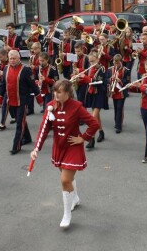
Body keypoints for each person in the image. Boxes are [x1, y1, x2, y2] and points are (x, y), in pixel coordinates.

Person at [31, 80, 99, 228]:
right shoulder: (51, 106)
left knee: (64, 180)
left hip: (72, 147)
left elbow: (94, 124)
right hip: (59, 147)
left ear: (68, 93)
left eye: (59, 91)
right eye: (55, 91)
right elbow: (43, 129)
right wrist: (36, 148)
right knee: (68, 179)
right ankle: (74, 198)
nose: (56, 94)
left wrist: (83, 138)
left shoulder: (76, 107)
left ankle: (67, 214)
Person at [0, 50, 43, 155]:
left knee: (19, 124)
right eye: (10, 58)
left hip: (22, 101)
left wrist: (39, 99)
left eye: (14, 58)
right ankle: (27, 138)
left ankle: (16, 146)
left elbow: (33, 85)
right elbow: (3, 85)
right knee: (20, 120)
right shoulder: (5, 68)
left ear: (19, 58)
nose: (12, 61)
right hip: (10, 100)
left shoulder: (26, 70)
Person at [79, 51, 108, 149]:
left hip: (100, 93)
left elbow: (97, 82)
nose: (91, 64)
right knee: (96, 117)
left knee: (92, 117)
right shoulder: (90, 68)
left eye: (93, 61)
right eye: (90, 62)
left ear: (98, 59)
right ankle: (101, 131)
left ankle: (91, 139)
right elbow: (87, 80)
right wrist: (78, 78)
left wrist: (85, 78)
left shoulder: (102, 69)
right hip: (91, 93)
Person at [107, 54, 130, 134]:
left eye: (117, 63)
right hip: (114, 91)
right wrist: (111, 79)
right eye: (114, 63)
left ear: (121, 62)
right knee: (116, 107)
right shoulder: (110, 70)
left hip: (121, 92)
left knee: (120, 107)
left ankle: (118, 126)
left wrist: (120, 80)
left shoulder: (126, 70)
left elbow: (127, 81)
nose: (116, 65)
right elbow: (106, 80)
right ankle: (117, 122)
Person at [0, 48, 15, 130]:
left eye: (0, 57)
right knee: (7, 104)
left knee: (4, 104)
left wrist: (3, 74)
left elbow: (12, 74)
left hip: (10, 86)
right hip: (3, 85)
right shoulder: (0, 63)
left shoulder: (9, 63)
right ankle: (14, 117)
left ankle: (2, 123)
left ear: (5, 56)